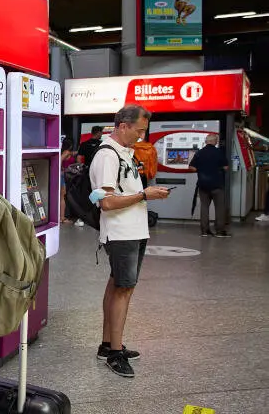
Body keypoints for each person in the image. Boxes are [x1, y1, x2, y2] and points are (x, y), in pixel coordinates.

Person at [90, 105, 169, 378]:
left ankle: (107, 345)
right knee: (124, 289)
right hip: (121, 233)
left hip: (133, 231)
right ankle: (115, 353)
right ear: (123, 126)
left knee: (117, 285)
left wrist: (145, 193)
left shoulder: (125, 152)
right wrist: (145, 195)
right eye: (139, 130)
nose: (141, 136)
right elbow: (107, 202)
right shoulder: (107, 155)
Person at [188, 134, 231, 237]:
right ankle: (220, 231)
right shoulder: (219, 152)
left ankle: (205, 231)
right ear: (215, 141)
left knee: (204, 207)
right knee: (219, 208)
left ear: (206, 141)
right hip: (217, 185)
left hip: (203, 185)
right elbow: (226, 167)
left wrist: (201, 170)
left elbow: (191, 167)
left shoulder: (199, 153)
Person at [61, 137, 77, 223]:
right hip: (64, 176)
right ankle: (62, 218)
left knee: (62, 196)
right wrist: (62, 169)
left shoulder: (64, 151)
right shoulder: (66, 152)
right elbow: (59, 160)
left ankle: (61, 217)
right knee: (62, 197)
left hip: (65, 176)